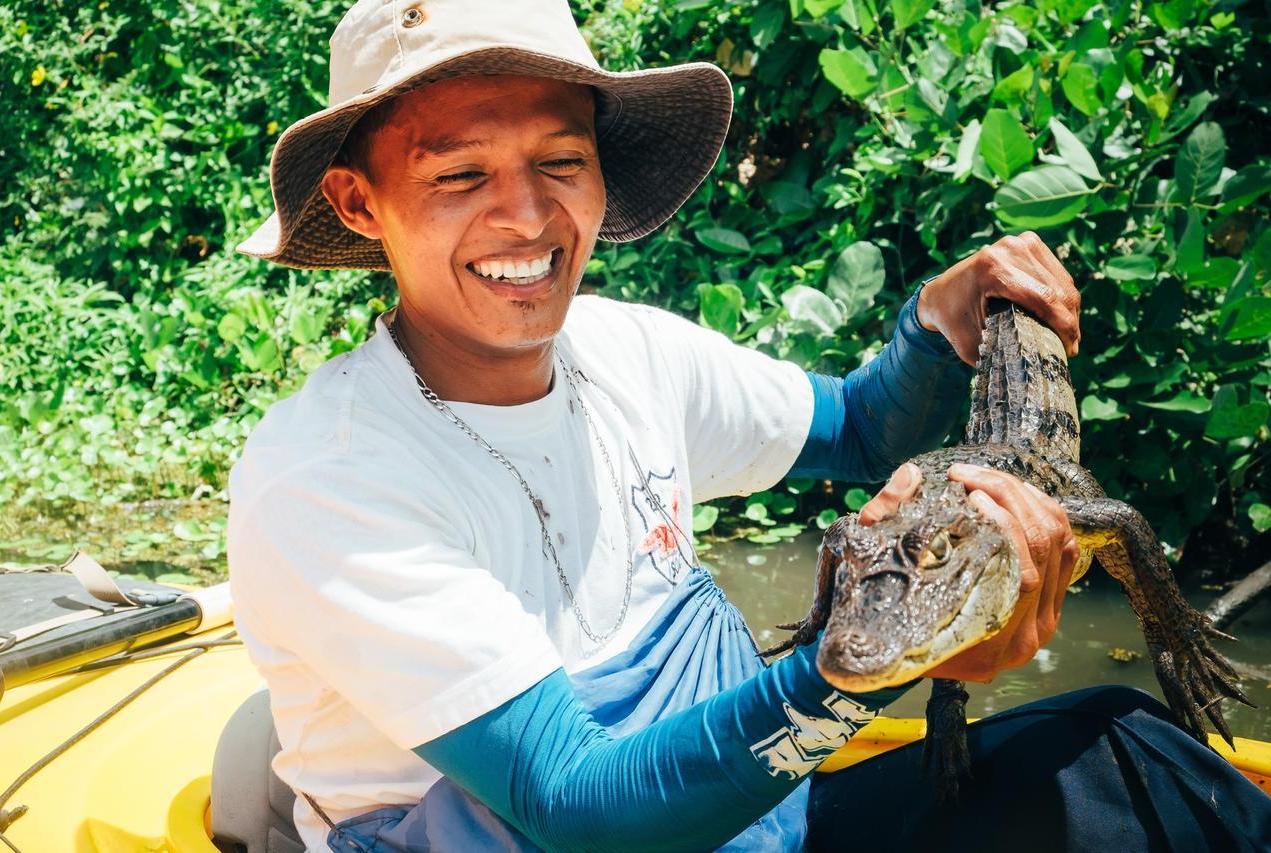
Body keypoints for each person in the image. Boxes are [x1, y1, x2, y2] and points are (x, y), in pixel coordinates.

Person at [227, 1, 1271, 851]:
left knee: (1128, 757)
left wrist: (933, 322)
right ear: (358, 204)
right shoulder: (326, 474)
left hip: (744, 821)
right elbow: (580, 806)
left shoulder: (629, 351)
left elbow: (859, 430)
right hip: (580, 834)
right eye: (459, 175)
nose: (529, 219)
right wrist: (890, 647)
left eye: (560, 162)